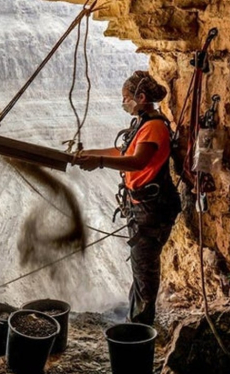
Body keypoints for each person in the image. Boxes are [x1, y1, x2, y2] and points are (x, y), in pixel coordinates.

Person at [72, 71, 181, 326]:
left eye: (126, 98)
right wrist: (88, 153)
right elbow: (123, 151)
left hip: (152, 208)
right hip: (143, 205)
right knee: (140, 267)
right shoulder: (143, 124)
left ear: (140, 97)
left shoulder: (154, 127)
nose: (124, 103)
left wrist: (98, 162)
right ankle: (137, 321)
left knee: (144, 269)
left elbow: (137, 161)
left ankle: (140, 330)